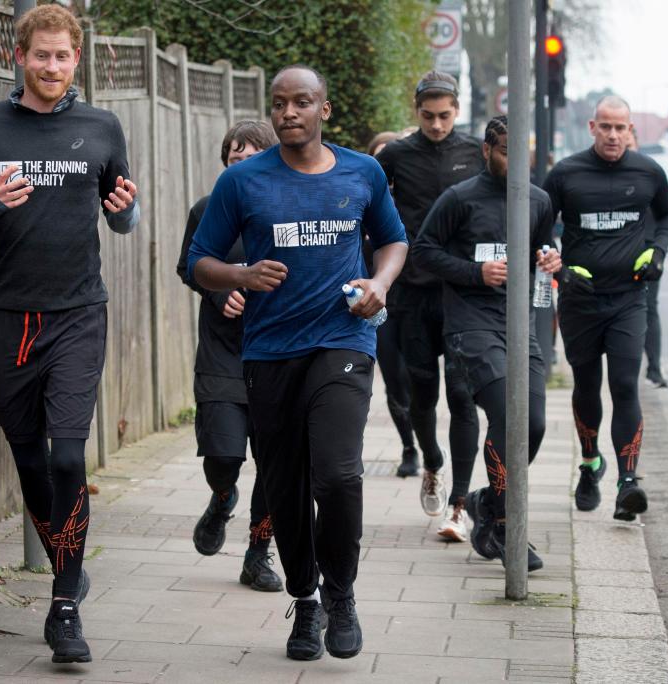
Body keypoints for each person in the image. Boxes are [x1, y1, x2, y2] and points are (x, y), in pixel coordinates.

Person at [0, 5, 139, 664]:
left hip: (80, 315)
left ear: (76, 60)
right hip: (9, 320)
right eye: (42, 55)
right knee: (28, 458)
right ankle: (66, 566)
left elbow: (122, 218)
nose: (53, 67)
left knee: (65, 456)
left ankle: (64, 606)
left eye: (64, 56)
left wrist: (127, 211)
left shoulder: (102, 128)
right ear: (16, 56)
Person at [187, 65, 407, 661]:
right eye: (280, 103)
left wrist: (381, 282)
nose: (289, 112)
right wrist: (240, 274)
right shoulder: (244, 183)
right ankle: (304, 601)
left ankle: (341, 594)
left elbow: (393, 240)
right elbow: (198, 259)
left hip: (343, 341)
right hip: (269, 352)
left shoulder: (362, 172)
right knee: (284, 486)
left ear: (323, 109)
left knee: (337, 475)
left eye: (301, 102)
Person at [413, 116, 560, 571]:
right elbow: (423, 251)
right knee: (506, 415)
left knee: (532, 423)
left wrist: (550, 255)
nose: (515, 163)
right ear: (486, 151)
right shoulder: (459, 199)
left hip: (519, 326)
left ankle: (485, 502)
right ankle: (503, 527)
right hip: (471, 326)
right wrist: (475, 273)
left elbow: (541, 245)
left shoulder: (538, 200)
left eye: (522, 154)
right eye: (504, 153)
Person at [543, 96, 668, 520]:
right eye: (606, 127)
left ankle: (627, 483)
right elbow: (539, 225)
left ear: (631, 129)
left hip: (628, 298)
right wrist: (556, 262)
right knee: (586, 386)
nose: (614, 135)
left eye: (621, 128)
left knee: (624, 384)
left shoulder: (648, 171)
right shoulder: (565, 173)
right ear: (592, 127)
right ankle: (589, 464)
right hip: (580, 300)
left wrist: (657, 251)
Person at [375, 71, 483, 540]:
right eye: (428, 116)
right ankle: (432, 462)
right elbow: (367, 207)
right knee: (422, 394)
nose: (437, 124)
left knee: (462, 396)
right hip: (413, 294)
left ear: (456, 110)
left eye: (445, 116)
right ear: (415, 110)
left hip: (461, 292)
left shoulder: (476, 153)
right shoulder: (396, 156)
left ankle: (459, 503)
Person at [175, 120, 283, 593]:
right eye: (234, 159)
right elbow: (189, 267)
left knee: (277, 464)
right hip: (222, 354)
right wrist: (221, 293)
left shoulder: (288, 210)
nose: (242, 167)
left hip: (277, 354)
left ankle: (258, 554)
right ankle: (222, 497)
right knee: (223, 455)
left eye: (253, 158)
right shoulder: (208, 211)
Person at [364, 131, 418, 478]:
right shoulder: (360, 204)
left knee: (418, 378)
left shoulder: (413, 205)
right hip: (378, 308)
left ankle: (424, 441)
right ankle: (409, 447)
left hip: (415, 301)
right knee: (394, 379)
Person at [626, 129, 668, 388]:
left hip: (647, 254)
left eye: (629, 143)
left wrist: (659, 250)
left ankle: (654, 368)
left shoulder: (651, 174)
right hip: (616, 258)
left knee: (649, 308)